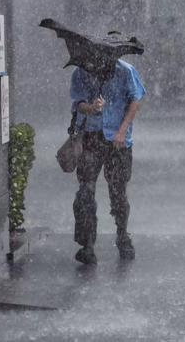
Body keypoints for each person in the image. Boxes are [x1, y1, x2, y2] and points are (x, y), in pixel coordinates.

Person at [70, 59, 146, 265]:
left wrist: (122, 131)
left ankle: (122, 235)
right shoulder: (82, 71)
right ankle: (87, 244)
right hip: (91, 137)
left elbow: (136, 99)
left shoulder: (126, 71)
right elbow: (77, 103)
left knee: (118, 191)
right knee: (85, 190)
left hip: (118, 142)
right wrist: (92, 108)